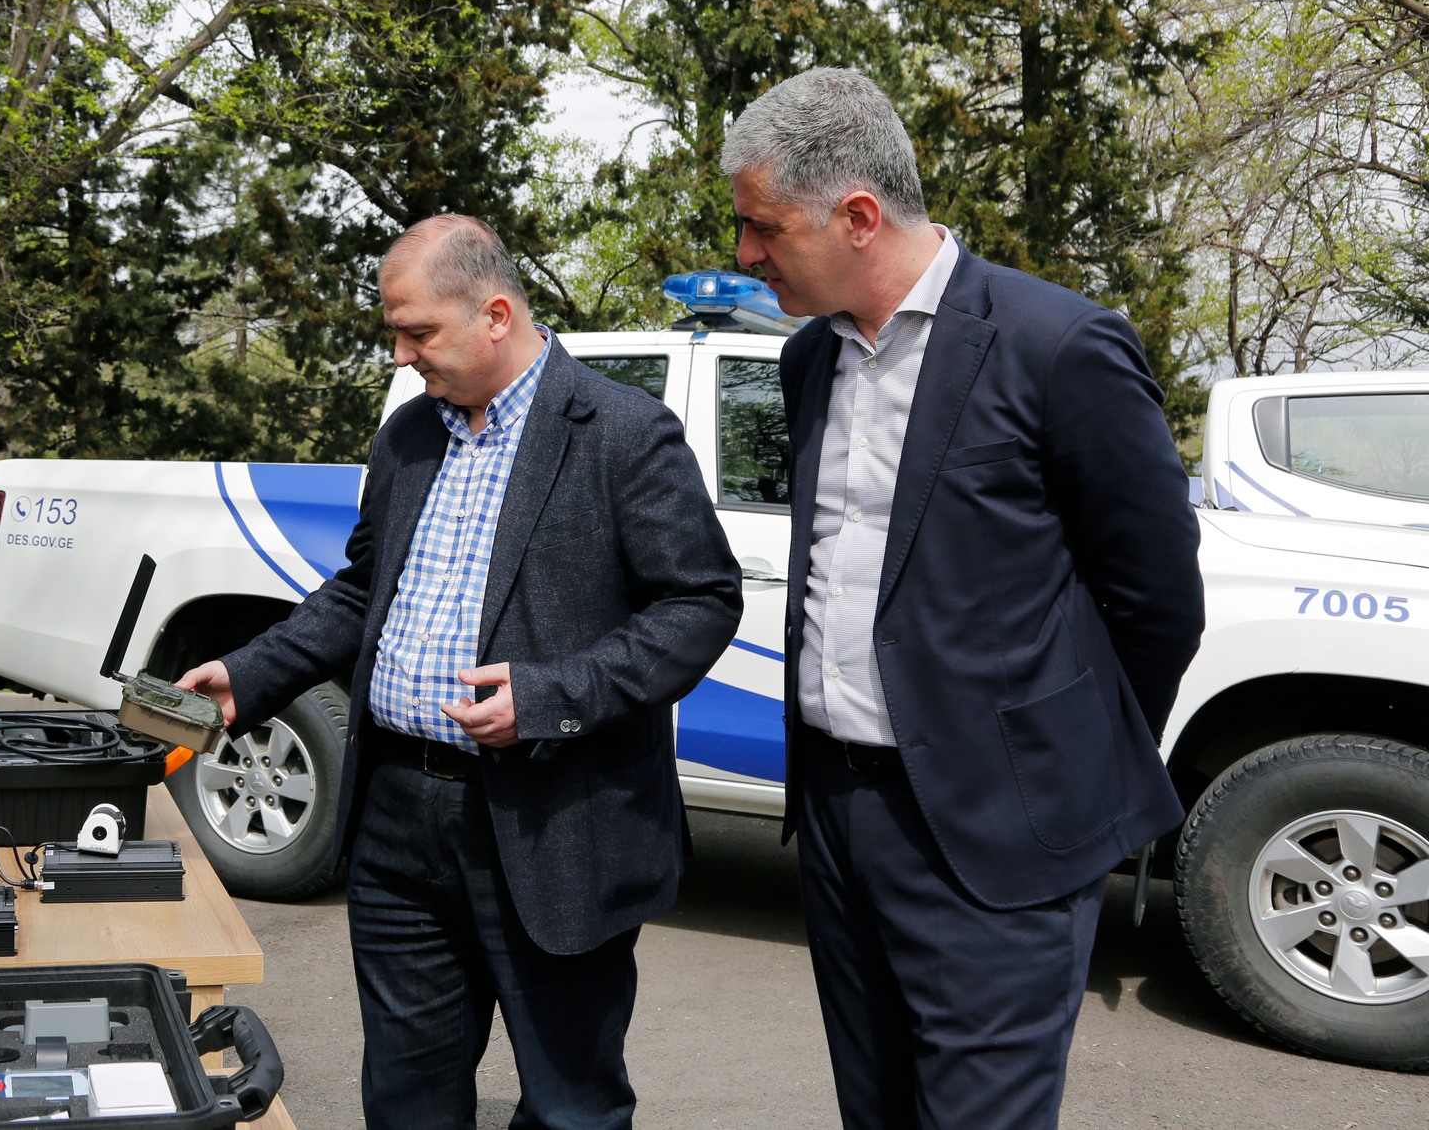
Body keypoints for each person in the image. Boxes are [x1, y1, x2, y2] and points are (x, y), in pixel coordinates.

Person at [177, 215, 742, 1130]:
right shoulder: (408, 435)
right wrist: (251, 674)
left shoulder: (623, 431)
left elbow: (701, 604)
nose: (401, 356)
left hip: (553, 819)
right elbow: (366, 588)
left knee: (570, 1108)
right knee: (408, 1101)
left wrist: (549, 696)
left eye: (418, 332)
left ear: (495, 314)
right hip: (397, 818)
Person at [724, 69, 1204, 1130]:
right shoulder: (807, 361)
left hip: (996, 828)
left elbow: (1157, 598)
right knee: (876, 1109)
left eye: (763, 226)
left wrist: (1049, 771)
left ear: (857, 216)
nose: (746, 252)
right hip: (838, 815)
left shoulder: (1057, 344)